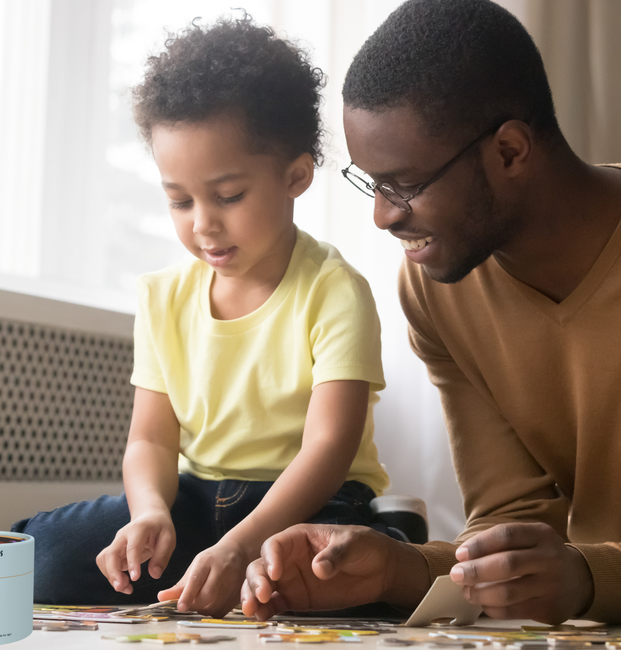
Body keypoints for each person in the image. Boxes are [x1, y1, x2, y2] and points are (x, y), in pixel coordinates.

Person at [242, 0, 621, 625]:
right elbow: (511, 529)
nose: (383, 215)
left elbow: (570, 571)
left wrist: (589, 578)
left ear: (509, 151)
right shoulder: (438, 290)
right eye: (372, 183)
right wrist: (398, 568)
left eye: (404, 184)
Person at [11, 14, 390, 616]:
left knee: (312, 575)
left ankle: (383, 542)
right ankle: (209, 564)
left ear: (295, 176)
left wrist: (241, 544)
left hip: (305, 502)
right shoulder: (163, 296)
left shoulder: (334, 289)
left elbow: (328, 447)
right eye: (179, 201)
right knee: (39, 556)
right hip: (192, 498)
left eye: (228, 196)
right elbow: (150, 440)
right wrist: (150, 513)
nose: (203, 224)